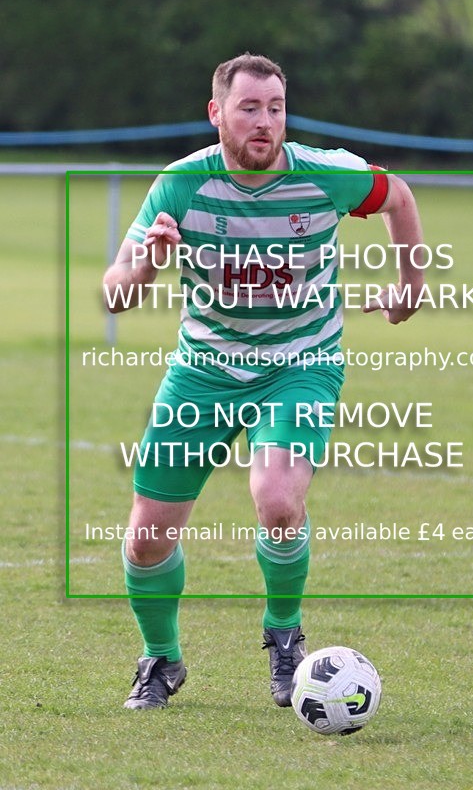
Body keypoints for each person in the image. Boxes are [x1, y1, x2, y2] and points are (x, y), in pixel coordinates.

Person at [103, 53, 425, 710]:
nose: (265, 122)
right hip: (203, 372)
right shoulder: (180, 184)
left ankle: (284, 638)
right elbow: (114, 293)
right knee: (145, 538)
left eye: (275, 108)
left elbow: (396, 195)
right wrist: (148, 265)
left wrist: (408, 287)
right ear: (216, 113)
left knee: (277, 498)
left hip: (298, 366)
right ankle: (161, 660)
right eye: (249, 108)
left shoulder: (324, 174)